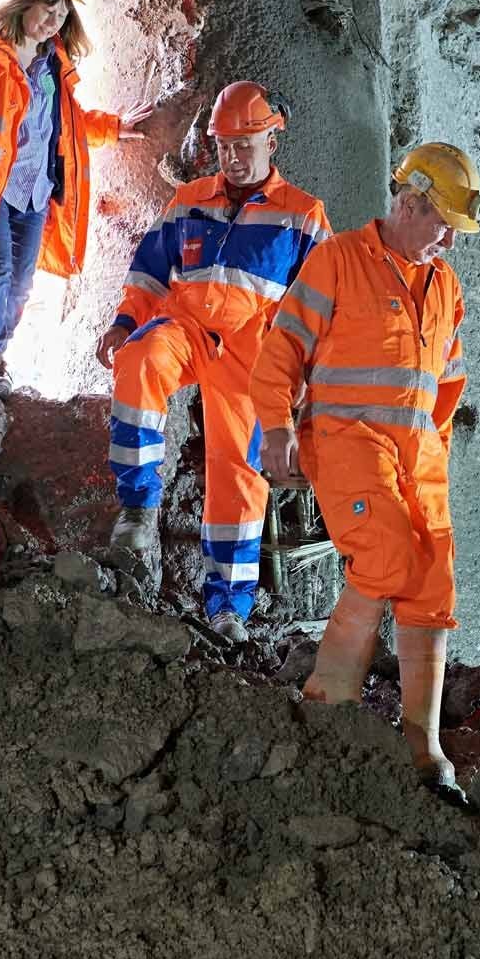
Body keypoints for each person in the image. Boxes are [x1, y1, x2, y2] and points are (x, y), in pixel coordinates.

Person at [249, 141, 480, 800]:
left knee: (432, 582)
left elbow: (449, 382)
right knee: (385, 557)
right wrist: (276, 427)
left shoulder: (445, 286)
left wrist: (433, 452)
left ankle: (423, 743)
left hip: (418, 454)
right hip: (349, 443)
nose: (448, 239)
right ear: (410, 201)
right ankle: (326, 700)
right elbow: (281, 352)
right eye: (442, 222)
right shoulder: (338, 262)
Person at [96, 82, 331, 640]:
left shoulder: (303, 216)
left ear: (273, 140)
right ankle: (137, 512)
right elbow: (150, 270)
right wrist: (124, 322)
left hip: (257, 352)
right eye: (225, 143)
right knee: (141, 358)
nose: (233, 154)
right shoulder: (189, 200)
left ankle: (227, 608)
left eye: (245, 143)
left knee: (240, 472)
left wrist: (308, 387)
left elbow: (325, 309)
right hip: (189, 326)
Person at [0, 0, 149, 398]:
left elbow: (68, 123)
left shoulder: (54, 62)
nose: (54, 18)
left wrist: (115, 127)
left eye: (63, 10)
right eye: (48, 6)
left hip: (38, 188)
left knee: (22, 278)